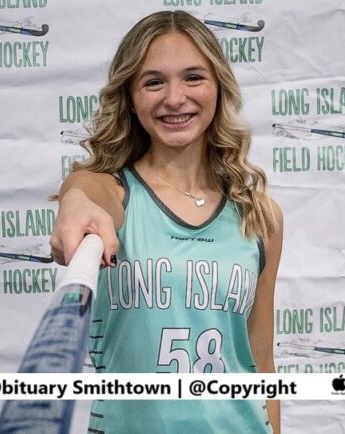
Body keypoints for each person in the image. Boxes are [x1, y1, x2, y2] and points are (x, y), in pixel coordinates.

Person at [50, 10, 283, 434]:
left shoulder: (258, 214)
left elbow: (261, 364)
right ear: (131, 96)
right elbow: (88, 193)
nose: (175, 98)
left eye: (193, 77)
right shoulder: (113, 191)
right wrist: (77, 200)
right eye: (154, 81)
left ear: (218, 87)